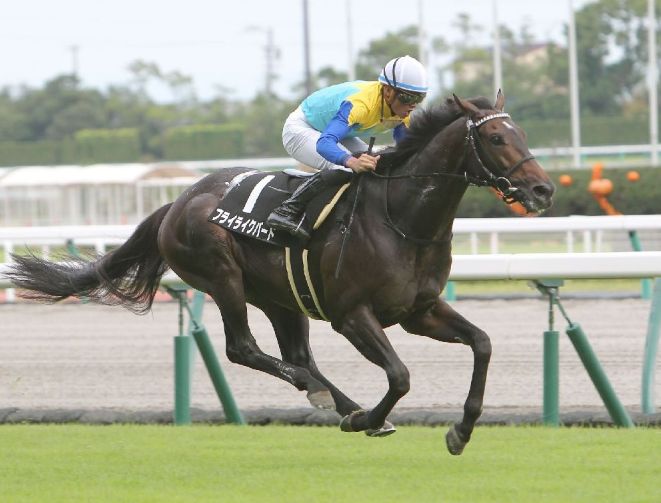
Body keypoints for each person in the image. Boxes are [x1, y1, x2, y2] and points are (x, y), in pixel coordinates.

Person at [266, 55, 428, 241]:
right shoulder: (360, 104)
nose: (413, 105)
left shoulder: (402, 110)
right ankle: (286, 210)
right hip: (301, 129)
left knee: (374, 162)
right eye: (408, 97)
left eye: (419, 98)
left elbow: (407, 152)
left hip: (337, 132)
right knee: (345, 167)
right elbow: (325, 143)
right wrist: (351, 161)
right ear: (388, 92)